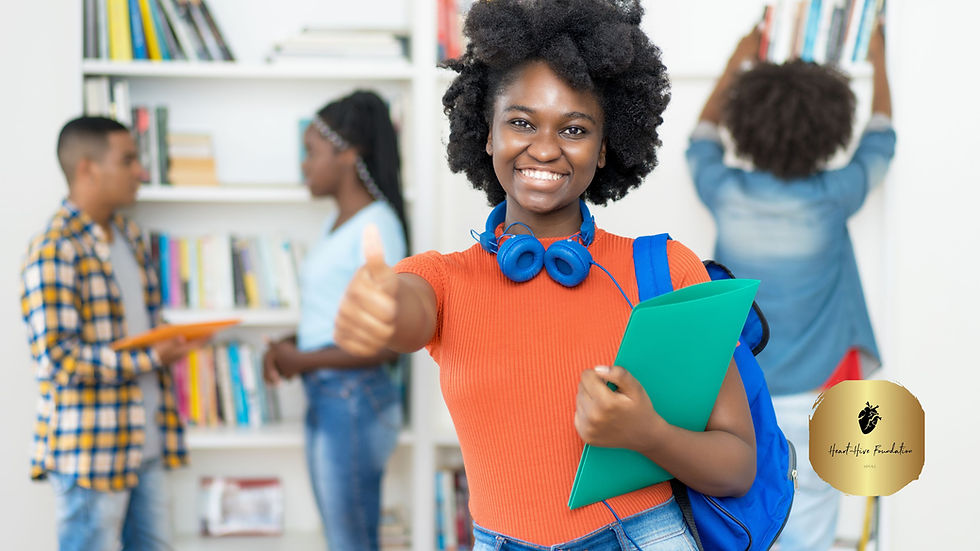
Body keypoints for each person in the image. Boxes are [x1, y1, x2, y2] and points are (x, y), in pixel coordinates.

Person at [333, 1, 758, 549]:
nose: (545, 148)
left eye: (574, 129)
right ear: (487, 134)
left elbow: (737, 466)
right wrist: (381, 306)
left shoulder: (667, 271)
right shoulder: (443, 279)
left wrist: (646, 434)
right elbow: (405, 311)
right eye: (521, 122)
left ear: (605, 148)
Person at [685, 23, 894, 551]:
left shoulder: (725, 190)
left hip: (741, 399)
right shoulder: (834, 194)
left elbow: (701, 138)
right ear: (829, 130)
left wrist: (736, 59)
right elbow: (881, 138)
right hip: (822, 393)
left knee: (744, 515)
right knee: (816, 515)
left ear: (748, 125)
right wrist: (879, 59)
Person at [19, 116, 202, 551]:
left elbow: (142, 331)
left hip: (148, 445)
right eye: (129, 160)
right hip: (91, 454)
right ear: (87, 168)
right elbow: (58, 359)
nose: (141, 171)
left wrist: (173, 340)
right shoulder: (54, 249)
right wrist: (154, 357)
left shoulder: (132, 239)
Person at [261, 90, 409, 551]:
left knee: (351, 543)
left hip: (352, 399)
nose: (303, 165)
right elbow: (336, 314)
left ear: (348, 153)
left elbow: (389, 340)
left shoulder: (376, 227)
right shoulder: (339, 224)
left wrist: (299, 359)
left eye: (311, 152)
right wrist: (293, 344)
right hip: (334, 398)